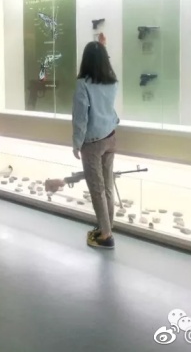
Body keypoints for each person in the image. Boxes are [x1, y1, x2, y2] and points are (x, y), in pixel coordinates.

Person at [72, 39, 119, 250]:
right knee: (107, 186)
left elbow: (80, 118)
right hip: (110, 137)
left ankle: (106, 235)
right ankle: (107, 227)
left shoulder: (83, 84)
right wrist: (103, 47)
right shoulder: (112, 82)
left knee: (97, 189)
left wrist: (76, 143)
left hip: (92, 142)